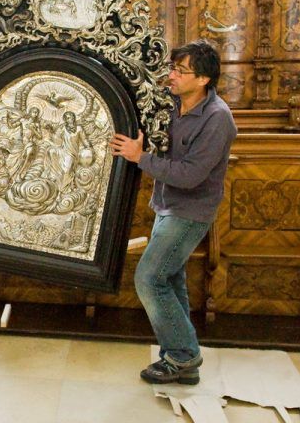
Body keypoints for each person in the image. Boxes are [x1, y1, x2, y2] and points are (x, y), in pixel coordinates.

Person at [109, 39, 237, 385]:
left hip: (189, 211)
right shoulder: (171, 106)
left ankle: (183, 355)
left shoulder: (217, 119)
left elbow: (191, 176)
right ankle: (180, 359)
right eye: (173, 68)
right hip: (167, 205)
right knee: (169, 278)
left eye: (182, 71)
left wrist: (139, 158)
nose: (172, 75)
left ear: (204, 79)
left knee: (149, 278)